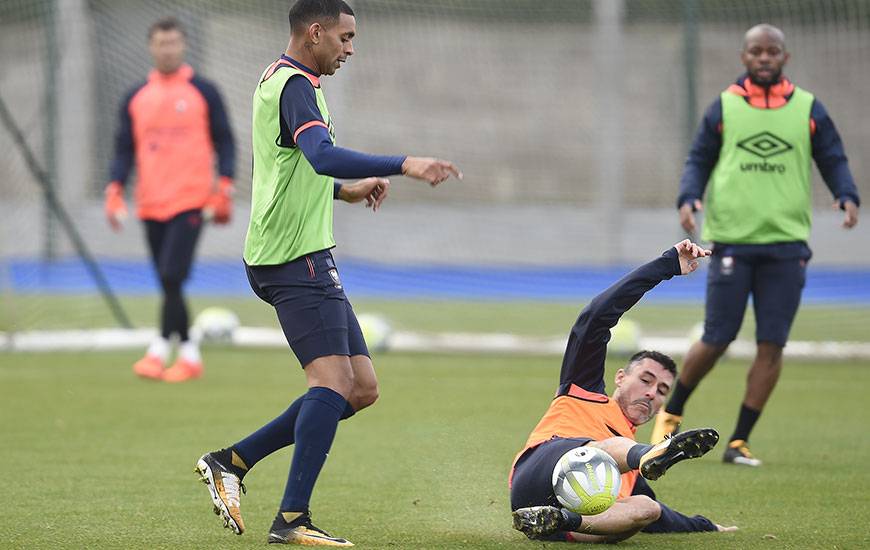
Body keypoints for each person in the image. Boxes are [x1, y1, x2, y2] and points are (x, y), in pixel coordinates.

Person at [193, 1, 461, 546]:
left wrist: (347, 189)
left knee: (360, 388)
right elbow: (320, 154)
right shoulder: (295, 85)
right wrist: (402, 163)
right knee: (332, 382)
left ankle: (231, 461)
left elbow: (292, 166)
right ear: (314, 32)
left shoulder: (283, 79)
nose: (350, 48)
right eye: (345, 37)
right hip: (293, 259)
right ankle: (292, 520)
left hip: (302, 253)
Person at [650, 24, 861, 466]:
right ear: (744, 58)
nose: (764, 58)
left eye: (772, 52)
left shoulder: (808, 108)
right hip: (733, 240)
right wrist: (688, 197)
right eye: (756, 52)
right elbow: (699, 159)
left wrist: (846, 194)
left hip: (787, 244)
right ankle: (671, 413)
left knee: (772, 344)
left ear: (785, 57)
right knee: (717, 336)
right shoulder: (724, 107)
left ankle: (739, 442)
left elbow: (833, 156)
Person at [510, 240, 738, 543]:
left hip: (561, 524)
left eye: (661, 390)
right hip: (538, 476)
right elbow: (595, 318)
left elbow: (664, 518)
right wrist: (668, 265)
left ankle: (558, 519)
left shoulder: (631, 468)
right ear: (620, 377)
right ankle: (654, 452)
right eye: (645, 380)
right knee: (610, 451)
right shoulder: (583, 389)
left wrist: (705, 526)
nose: (651, 393)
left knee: (647, 508)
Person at [104, 17, 236, 383]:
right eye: (162, 43)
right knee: (169, 282)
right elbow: (123, 149)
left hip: (192, 200)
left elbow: (225, 140)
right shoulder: (135, 96)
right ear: (151, 47)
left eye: (174, 42)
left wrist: (225, 184)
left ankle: (166, 349)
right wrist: (114, 187)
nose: (168, 49)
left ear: (184, 45)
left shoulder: (204, 91)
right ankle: (182, 351)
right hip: (150, 202)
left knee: (171, 273)